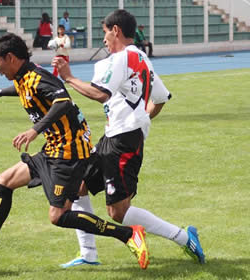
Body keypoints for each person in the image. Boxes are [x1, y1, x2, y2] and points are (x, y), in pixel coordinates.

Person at [0, 32, 150, 270]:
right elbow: (24, 90)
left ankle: (129, 234)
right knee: (4, 181)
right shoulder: (23, 75)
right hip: (54, 148)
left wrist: (35, 130)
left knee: (58, 216)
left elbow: (63, 101)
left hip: (69, 152)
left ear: (10, 58)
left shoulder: (37, 76)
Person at [52, 9, 205, 268]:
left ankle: (183, 237)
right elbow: (161, 98)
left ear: (116, 31)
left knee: (118, 212)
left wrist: (68, 77)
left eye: (104, 34)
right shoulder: (143, 58)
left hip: (123, 141)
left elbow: (100, 94)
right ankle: (88, 254)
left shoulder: (121, 58)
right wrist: (142, 120)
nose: (103, 41)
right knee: (78, 185)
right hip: (115, 137)